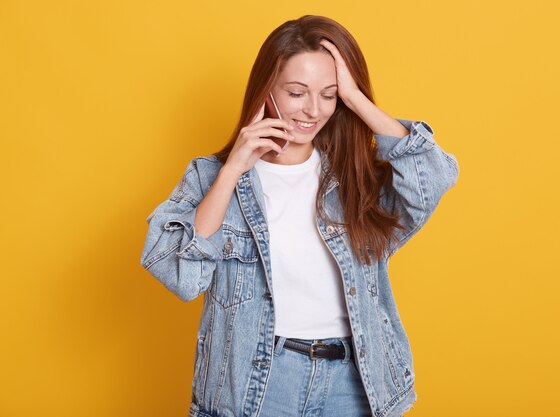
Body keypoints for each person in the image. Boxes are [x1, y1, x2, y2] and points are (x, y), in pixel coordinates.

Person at [140, 15, 459, 417]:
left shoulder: (353, 179)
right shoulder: (211, 177)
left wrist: (358, 100)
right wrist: (232, 171)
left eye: (329, 94)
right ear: (266, 90)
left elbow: (435, 174)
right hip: (261, 384)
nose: (313, 110)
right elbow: (178, 273)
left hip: (354, 384)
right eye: (296, 92)